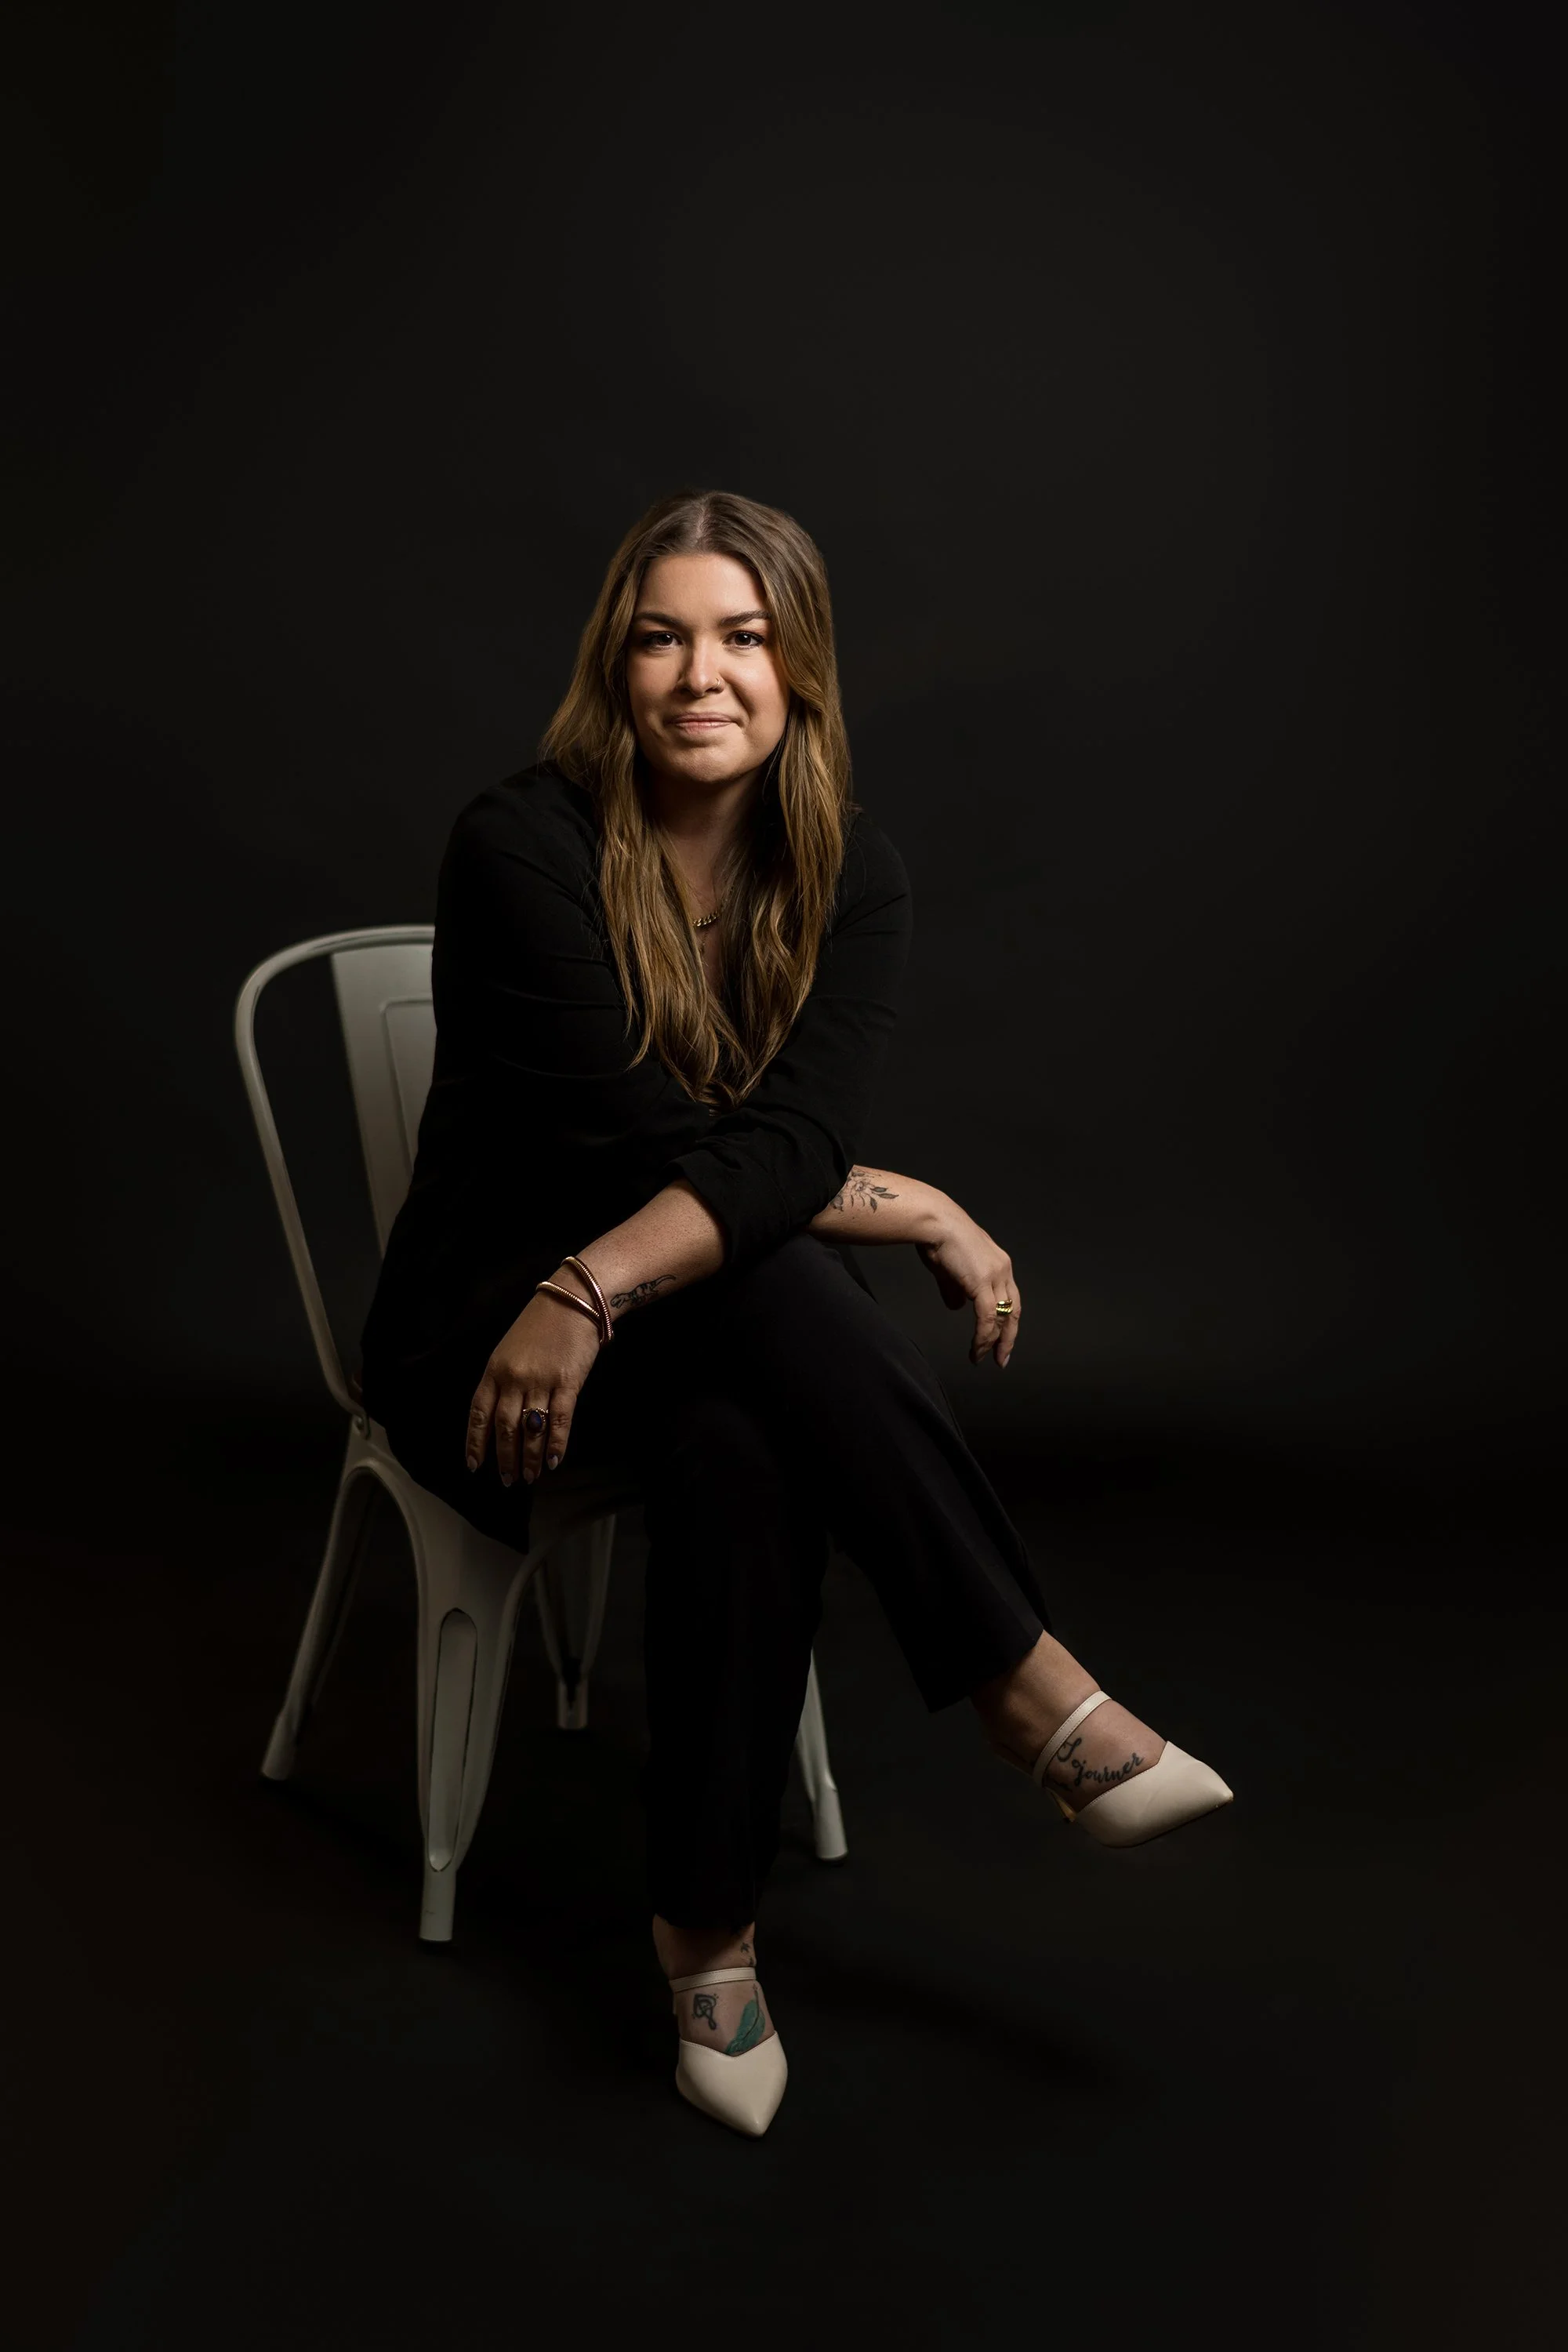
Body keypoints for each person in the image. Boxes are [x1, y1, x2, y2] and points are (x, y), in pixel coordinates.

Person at [358, 488, 1232, 2138]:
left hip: (665, 1311)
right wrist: (908, 1213)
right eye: (662, 638)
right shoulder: (520, 842)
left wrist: (615, 1278)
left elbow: (782, 1150)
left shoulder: (844, 873)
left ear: (800, 668)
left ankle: (707, 1937)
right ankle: (1025, 1690)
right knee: (770, 1270)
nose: (703, 674)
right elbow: (653, 1137)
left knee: (741, 1423)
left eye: (744, 638)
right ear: (614, 666)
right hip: (485, 1331)